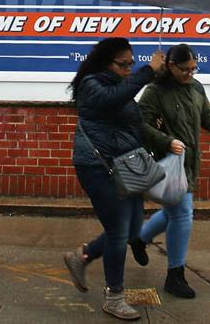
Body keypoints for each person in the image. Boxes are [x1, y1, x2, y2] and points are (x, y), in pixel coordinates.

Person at [131, 44, 210, 299]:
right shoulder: (154, 90)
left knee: (173, 212)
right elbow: (139, 124)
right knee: (183, 213)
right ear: (170, 66)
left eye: (194, 69)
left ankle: (140, 239)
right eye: (185, 69)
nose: (190, 74)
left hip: (189, 163)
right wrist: (166, 140)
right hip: (167, 162)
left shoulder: (196, 88)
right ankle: (175, 275)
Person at [62, 37, 165, 321]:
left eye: (132, 64)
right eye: (124, 64)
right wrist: (148, 71)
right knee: (119, 231)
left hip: (123, 165)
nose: (129, 69)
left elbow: (127, 116)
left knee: (132, 230)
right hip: (98, 166)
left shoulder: (120, 86)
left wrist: (155, 129)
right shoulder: (92, 84)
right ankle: (114, 296)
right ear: (106, 62)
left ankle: (81, 256)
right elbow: (112, 100)